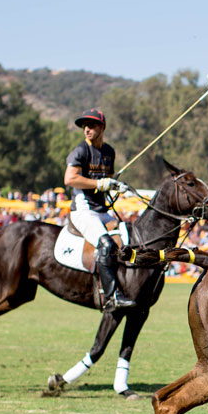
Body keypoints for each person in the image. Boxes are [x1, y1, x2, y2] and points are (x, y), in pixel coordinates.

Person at [65, 108, 135, 310]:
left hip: (102, 211)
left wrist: (114, 185)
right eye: (85, 126)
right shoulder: (81, 151)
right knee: (106, 244)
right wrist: (99, 184)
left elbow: (107, 180)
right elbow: (69, 178)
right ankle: (111, 296)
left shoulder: (108, 152)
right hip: (83, 210)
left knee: (129, 236)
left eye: (92, 125)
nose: (87, 129)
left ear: (102, 128)